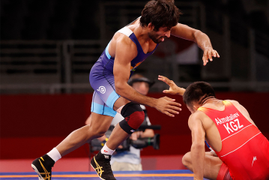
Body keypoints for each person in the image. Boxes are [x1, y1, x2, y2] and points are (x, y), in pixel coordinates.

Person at [31, 0, 220, 180]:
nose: (169, 36)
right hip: (104, 78)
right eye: (165, 31)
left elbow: (196, 34)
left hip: (114, 79)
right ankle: (103, 158)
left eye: (170, 30)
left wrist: (207, 47)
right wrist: (155, 103)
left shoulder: (160, 24)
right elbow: (121, 86)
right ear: (151, 25)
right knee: (136, 115)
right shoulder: (125, 41)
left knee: (96, 130)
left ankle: (45, 161)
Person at [158, 75, 269, 180]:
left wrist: (198, 178)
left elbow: (198, 146)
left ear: (194, 108)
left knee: (189, 158)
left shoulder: (198, 116)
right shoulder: (234, 103)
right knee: (217, 151)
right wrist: (181, 91)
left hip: (249, 175)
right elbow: (202, 102)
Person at [86, 74, 155, 171]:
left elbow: (150, 132)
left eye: (146, 86)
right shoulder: (115, 102)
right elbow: (90, 124)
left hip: (135, 161)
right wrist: (107, 142)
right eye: (139, 85)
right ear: (130, 86)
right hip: (116, 161)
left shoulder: (141, 108)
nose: (143, 88)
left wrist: (137, 133)